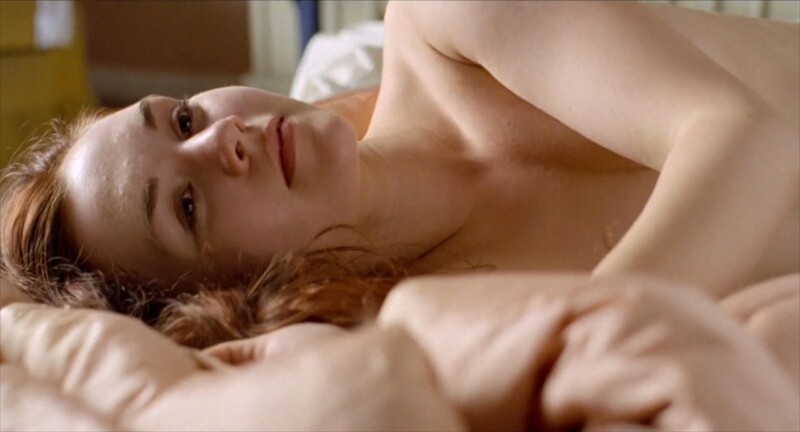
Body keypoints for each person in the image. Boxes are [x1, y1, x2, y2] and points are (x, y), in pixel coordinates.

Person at [1, 2, 798, 349]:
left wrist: (587, 338)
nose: (224, 140)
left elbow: (747, 134)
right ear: (224, 297)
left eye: (182, 119)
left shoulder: (449, 25)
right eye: (186, 206)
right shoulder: (424, 333)